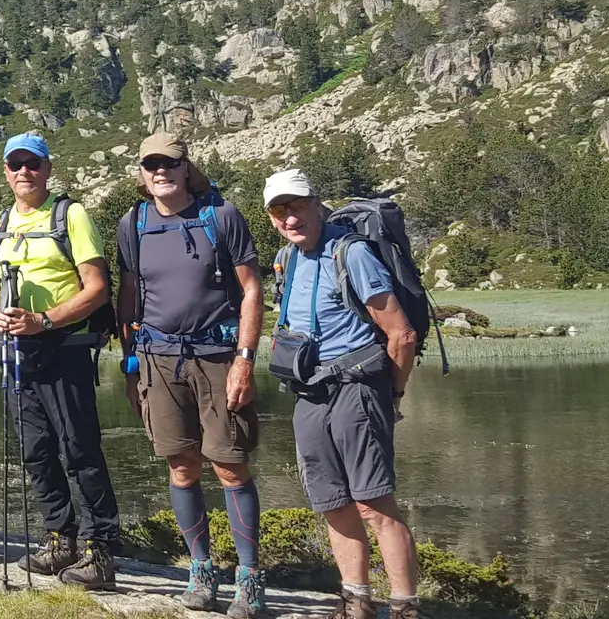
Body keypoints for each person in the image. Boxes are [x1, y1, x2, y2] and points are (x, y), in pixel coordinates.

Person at [116, 134, 266, 617]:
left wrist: (245, 358)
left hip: (219, 356)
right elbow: (128, 296)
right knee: (182, 467)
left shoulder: (222, 216)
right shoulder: (132, 224)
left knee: (229, 465)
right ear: (142, 173)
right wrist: (128, 360)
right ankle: (200, 572)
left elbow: (250, 290)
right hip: (158, 359)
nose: (161, 172)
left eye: (170, 164)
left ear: (186, 169)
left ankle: (249, 578)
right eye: (151, 165)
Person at [263, 169, 422, 619]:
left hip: (357, 388)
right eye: (279, 210)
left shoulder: (350, 254)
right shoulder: (288, 258)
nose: (289, 218)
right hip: (309, 394)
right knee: (333, 503)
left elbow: (401, 335)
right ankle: (357, 602)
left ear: (316, 203)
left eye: (296, 206)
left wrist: (393, 394)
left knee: (374, 503)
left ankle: (406, 607)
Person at [0, 132, 119, 590]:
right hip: (18, 352)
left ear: (47, 168)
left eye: (32, 164)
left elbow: (96, 286)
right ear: (5, 171)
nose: (24, 172)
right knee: (36, 451)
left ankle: (100, 551)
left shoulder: (70, 214)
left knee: (79, 448)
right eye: (15, 164)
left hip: (66, 347)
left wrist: (45, 319)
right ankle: (60, 538)